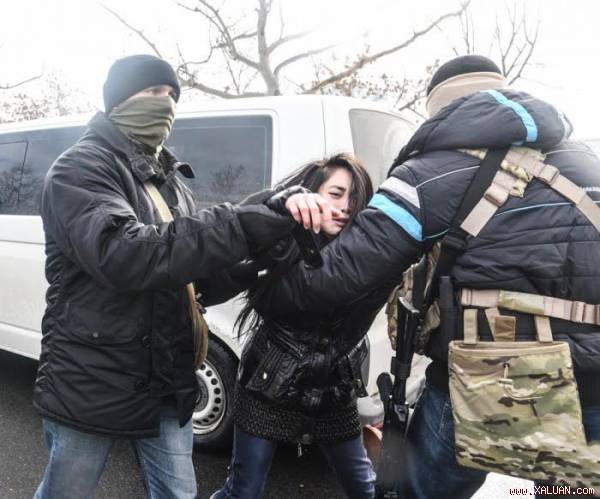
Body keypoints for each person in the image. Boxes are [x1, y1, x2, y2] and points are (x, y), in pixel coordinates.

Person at [255, 55, 600, 498]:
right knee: (568, 489)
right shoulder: (586, 162)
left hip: (485, 379)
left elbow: (335, 278)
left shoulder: (430, 173)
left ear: (442, 111)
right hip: (594, 376)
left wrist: (263, 291)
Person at [33, 54, 334, 499]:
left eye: (173, 94)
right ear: (120, 99)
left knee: (178, 493)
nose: (166, 103)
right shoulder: (79, 168)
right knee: (67, 492)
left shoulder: (170, 181)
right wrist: (242, 224)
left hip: (168, 378)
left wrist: (258, 257)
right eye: (153, 92)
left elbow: (194, 281)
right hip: (92, 378)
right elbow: (125, 254)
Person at [211, 153, 394, 499]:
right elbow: (244, 266)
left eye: (354, 199)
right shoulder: (283, 240)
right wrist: (283, 215)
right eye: (336, 194)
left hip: (331, 386)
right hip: (269, 382)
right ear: (313, 192)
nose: (345, 207)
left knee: (364, 488)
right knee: (243, 491)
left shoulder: (364, 256)